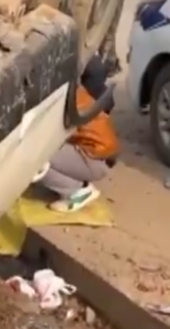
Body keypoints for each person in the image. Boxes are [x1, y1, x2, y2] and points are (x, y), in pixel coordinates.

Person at [38, 56, 118, 213]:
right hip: (100, 154)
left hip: (94, 158)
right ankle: (69, 182)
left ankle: (76, 191)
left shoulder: (56, 98)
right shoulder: (68, 87)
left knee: (34, 160)